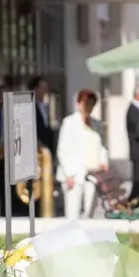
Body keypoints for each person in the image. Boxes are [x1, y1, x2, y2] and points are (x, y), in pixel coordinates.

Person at [56, 89, 108, 220]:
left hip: (92, 174)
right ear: (79, 104)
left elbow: (102, 146)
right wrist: (69, 174)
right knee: (72, 213)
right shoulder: (69, 123)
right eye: (86, 103)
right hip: (74, 175)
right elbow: (63, 150)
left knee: (89, 211)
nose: (88, 107)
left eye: (91, 104)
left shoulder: (97, 124)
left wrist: (103, 161)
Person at [28, 76, 55, 153]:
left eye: (46, 89)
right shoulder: (29, 106)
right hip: (36, 148)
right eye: (42, 89)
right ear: (35, 89)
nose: (45, 91)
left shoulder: (44, 105)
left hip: (46, 147)